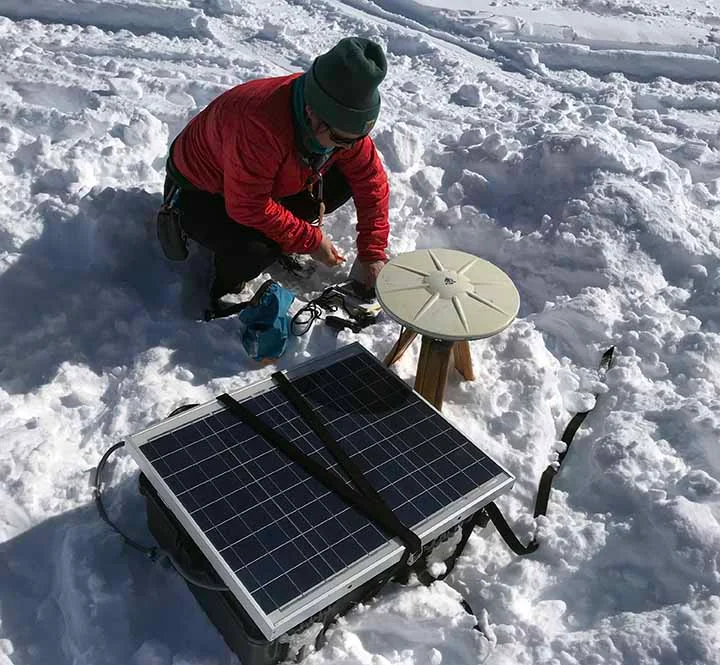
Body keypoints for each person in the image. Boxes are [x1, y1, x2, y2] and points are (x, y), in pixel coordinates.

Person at [160, 37, 390, 306]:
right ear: (314, 117)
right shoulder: (259, 123)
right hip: (200, 191)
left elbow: (370, 180)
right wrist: (311, 240)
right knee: (256, 249)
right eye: (342, 139)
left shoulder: (335, 113)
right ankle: (228, 288)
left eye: (356, 139)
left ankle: (278, 237)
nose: (350, 147)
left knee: (344, 180)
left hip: (262, 179)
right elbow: (247, 205)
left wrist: (372, 253)